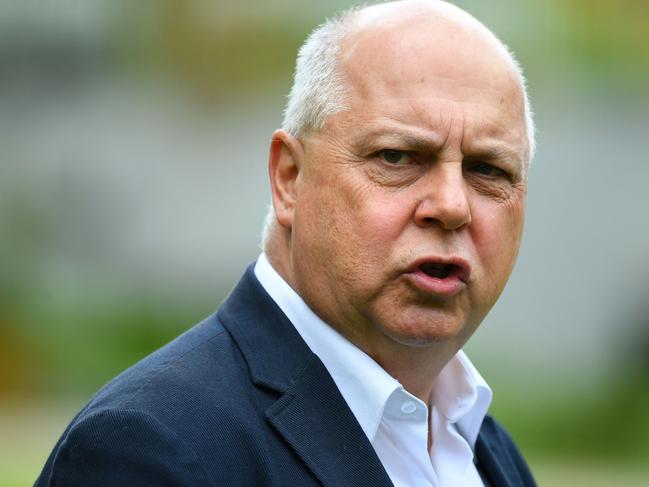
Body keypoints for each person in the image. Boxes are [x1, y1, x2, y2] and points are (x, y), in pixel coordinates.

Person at [35, 0, 536, 485]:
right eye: (398, 157)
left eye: (488, 170)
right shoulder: (151, 449)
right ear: (289, 179)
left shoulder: (484, 450)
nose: (452, 206)